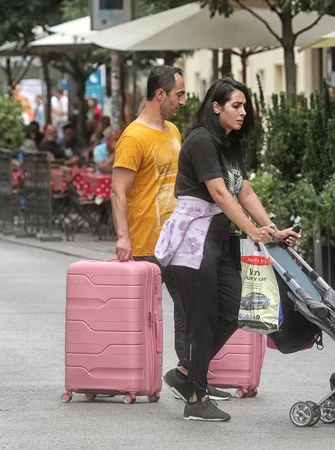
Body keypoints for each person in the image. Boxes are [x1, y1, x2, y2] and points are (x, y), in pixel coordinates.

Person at [160, 77, 300, 422]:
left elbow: (244, 191)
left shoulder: (230, 142)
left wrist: (271, 229)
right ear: (216, 106)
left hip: (221, 240)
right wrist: (253, 231)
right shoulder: (201, 141)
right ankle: (195, 397)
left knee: (234, 310)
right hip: (195, 241)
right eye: (236, 105)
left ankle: (185, 374)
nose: (243, 112)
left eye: (245, 106)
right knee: (200, 320)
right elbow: (221, 193)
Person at [111, 65, 191, 401]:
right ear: (160, 95)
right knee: (146, 316)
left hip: (178, 238)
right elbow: (118, 191)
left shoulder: (173, 130)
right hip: (146, 240)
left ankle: (188, 374)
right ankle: (135, 374)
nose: (183, 101)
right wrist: (122, 236)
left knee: (189, 306)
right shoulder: (134, 137)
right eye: (179, 94)